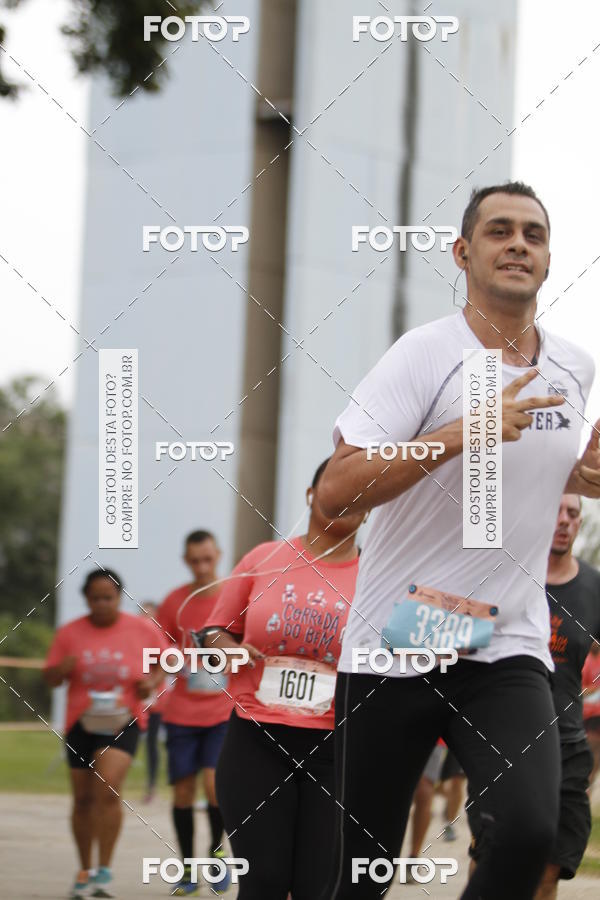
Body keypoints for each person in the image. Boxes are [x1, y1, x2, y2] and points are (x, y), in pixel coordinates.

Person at [318, 182, 600, 899]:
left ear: (547, 258)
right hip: (394, 641)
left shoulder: (574, 367)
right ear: (463, 251)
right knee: (359, 869)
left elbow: (554, 477)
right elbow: (336, 490)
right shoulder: (424, 355)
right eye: (500, 231)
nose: (518, 245)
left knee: (532, 831)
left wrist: (587, 475)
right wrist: (460, 433)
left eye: (533, 235)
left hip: (503, 642)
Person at [198, 459, 364, 899]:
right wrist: (227, 648)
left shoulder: (376, 579)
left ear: (370, 511)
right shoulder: (263, 559)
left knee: (317, 887)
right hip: (256, 739)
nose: (347, 500)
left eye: (360, 495)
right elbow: (215, 632)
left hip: (335, 748)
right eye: (336, 488)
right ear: (311, 496)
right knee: (264, 881)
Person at [44, 569, 167, 900]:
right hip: (81, 723)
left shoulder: (140, 630)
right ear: (86, 599)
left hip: (122, 720)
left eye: (108, 598)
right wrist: (61, 670)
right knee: (83, 800)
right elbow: (50, 678)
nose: (101, 604)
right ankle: (84, 871)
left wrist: (150, 683)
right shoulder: (70, 633)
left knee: (108, 789)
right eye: (95, 598)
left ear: (119, 598)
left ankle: (104, 871)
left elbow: (166, 663)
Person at [156, 530, 232, 896]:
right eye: (194, 561)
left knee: (215, 787)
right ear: (186, 561)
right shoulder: (175, 601)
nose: (202, 567)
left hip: (222, 711)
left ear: (218, 555)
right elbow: (161, 650)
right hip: (181, 713)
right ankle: (188, 868)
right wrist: (171, 663)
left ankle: (217, 853)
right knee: (183, 792)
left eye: (208, 559)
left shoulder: (233, 597)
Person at [139, 601, 168, 803]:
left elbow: (165, 665)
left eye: (150, 615)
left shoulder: (161, 639)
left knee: (152, 742)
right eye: (143, 614)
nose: (146, 618)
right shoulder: (134, 637)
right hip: (135, 698)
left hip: (155, 698)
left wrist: (153, 689)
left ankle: (151, 787)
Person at [582, 643, 600, 785]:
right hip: (588, 715)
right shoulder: (585, 660)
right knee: (590, 755)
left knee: (596, 759)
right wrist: (594, 690)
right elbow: (579, 690)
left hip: (597, 715)